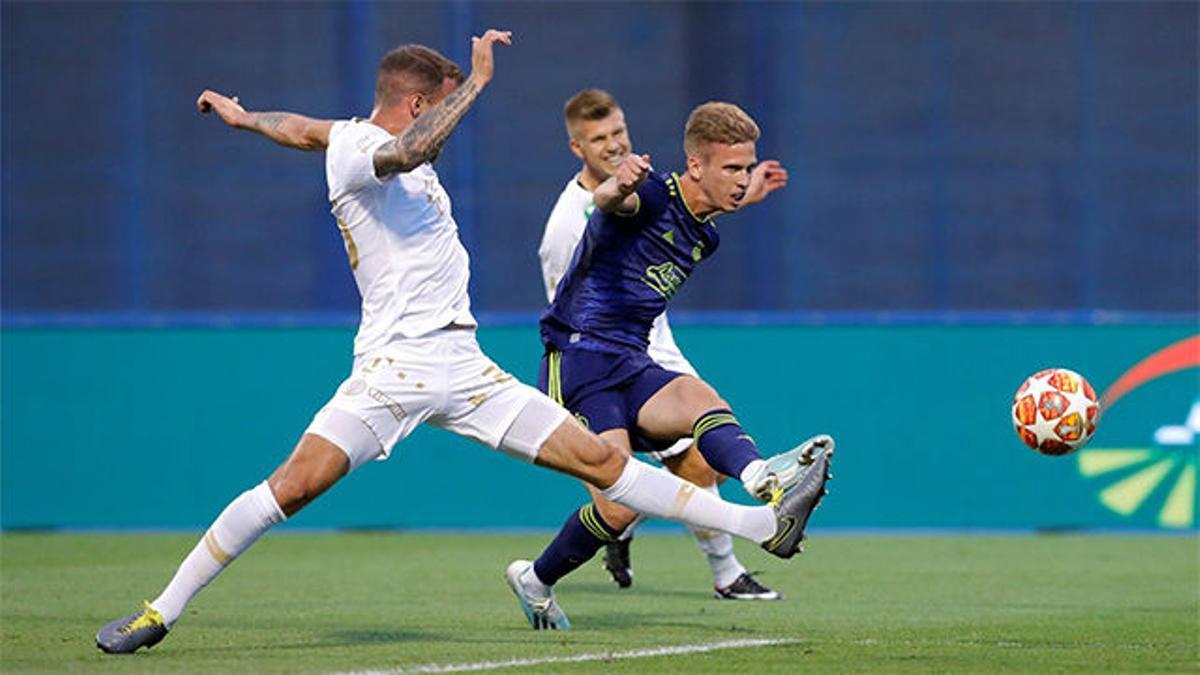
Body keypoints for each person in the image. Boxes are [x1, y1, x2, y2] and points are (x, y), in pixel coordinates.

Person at [95, 31, 830, 653]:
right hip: (392, 371)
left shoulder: (345, 136)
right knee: (289, 487)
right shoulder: (370, 151)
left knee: (606, 462)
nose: (446, 116)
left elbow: (302, 128)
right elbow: (407, 151)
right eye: (438, 101)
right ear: (418, 104)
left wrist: (247, 116)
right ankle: (162, 609)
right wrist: (476, 81)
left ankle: (762, 523)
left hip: (464, 365)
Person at [506, 100, 834, 629]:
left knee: (702, 399)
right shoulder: (653, 193)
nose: (742, 178)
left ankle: (762, 479)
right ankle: (536, 579)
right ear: (696, 166)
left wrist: (744, 194)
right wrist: (617, 185)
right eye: (732, 168)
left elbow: (703, 207)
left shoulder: (705, 233)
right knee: (619, 507)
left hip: (633, 361)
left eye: (746, 167)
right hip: (580, 362)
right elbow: (613, 202)